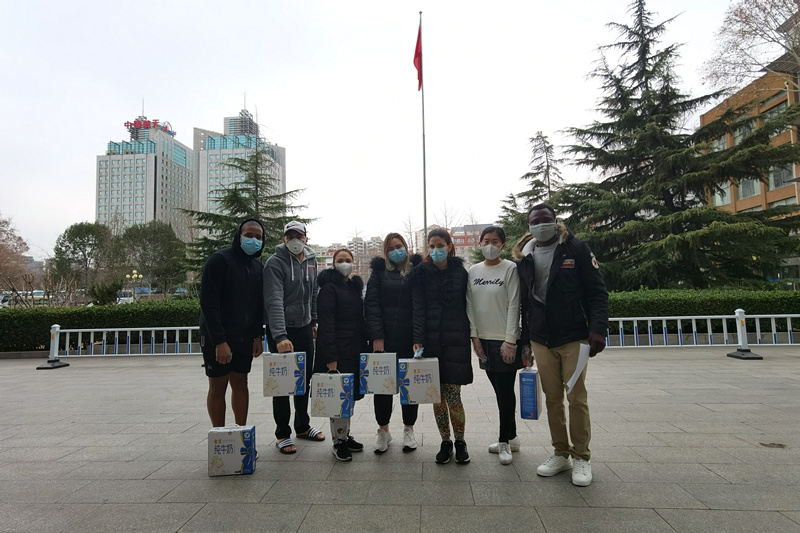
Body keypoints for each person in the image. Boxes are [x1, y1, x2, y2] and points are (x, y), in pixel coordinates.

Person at [514, 203, 609, 486]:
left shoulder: (576, 249)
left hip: (573, 337)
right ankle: (561, 452)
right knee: (552, 398)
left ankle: (581, 456)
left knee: (576, 397)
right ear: (529, 225)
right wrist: (526, 342)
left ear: (555, 222)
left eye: (545, 220)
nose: (540, 225)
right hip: (541, 338)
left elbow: (597, 292)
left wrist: (598, 330)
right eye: (535, 221)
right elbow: (526, 302)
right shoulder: (525, 256)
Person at [410, 228, 473, 464]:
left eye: (440, 245)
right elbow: (418, 309)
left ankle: (460, 441)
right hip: (430, 341)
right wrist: (418, 339)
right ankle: (445, 442)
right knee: (437, 396)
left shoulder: (461, 273)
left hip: (456, 340)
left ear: (449, 247)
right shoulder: (421, 273)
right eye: (431, 246)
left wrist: (472, 336)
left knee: (454, 394)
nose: (435, 250)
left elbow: (468, 305)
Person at [263, 220, 325, 454]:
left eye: (299, 236)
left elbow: (313, 293)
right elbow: (274, 300)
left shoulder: (311, 260)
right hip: (282, 331)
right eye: (290, 237)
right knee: (282, 384)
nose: (295, 241)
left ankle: (302, 426)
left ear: (306, 239)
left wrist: (314, 321)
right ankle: (282, 433)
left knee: (304, 380)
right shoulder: (275, 262)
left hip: (304, 327)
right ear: (284, 239)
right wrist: (280, 336)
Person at [199, 218, 265, 428]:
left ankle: (241, 434)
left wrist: (258, 336)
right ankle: (220, 436)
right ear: (239, 236)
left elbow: (258, 306)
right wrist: (219, 341)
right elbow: (208, 303)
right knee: (218, 387)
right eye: (249, 235)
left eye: (258, 237)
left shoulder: (258, 267)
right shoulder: (219, 261)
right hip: (218, 338)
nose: (253, 240)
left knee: (241, 383)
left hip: (245, 338)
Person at [466, 225, 522, 466]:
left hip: (504, 339)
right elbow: (469, 304)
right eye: (486, 241)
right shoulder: (473, 270)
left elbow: (514, 305)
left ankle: (504, 441)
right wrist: (474, 337)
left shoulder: (510, 269)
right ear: (480, 243)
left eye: (495, 241)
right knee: (499, 390)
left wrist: (510, 340)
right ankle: (513, 436)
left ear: (503, 244)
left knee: (505, 391)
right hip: (483, 339)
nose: (490, 245)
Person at [364, 233, 423, 453]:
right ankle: (383, 430)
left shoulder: (417, 271)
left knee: (411, 388)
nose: (396, 251)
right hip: (385, 341)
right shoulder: (379, 272)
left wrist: (418, 338)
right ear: (385, 252)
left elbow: (420, 306)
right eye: (390, 248)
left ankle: (409, 429)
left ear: (406, 247)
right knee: (382, 388)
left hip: (410, 340)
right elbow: (371, 304)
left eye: (399, 246)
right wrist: (377, 336)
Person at [316, 248, 369, 461]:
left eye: (348, 260)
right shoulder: (328, 289)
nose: (344, 263)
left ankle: (345, 435)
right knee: (339, 398)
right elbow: (326, 324)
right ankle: (338, 441)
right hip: (337, 351)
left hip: (354, 349)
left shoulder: (353, 288)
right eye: (340, 260)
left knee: (349, 395)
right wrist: (330, 356)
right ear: (333, 264)